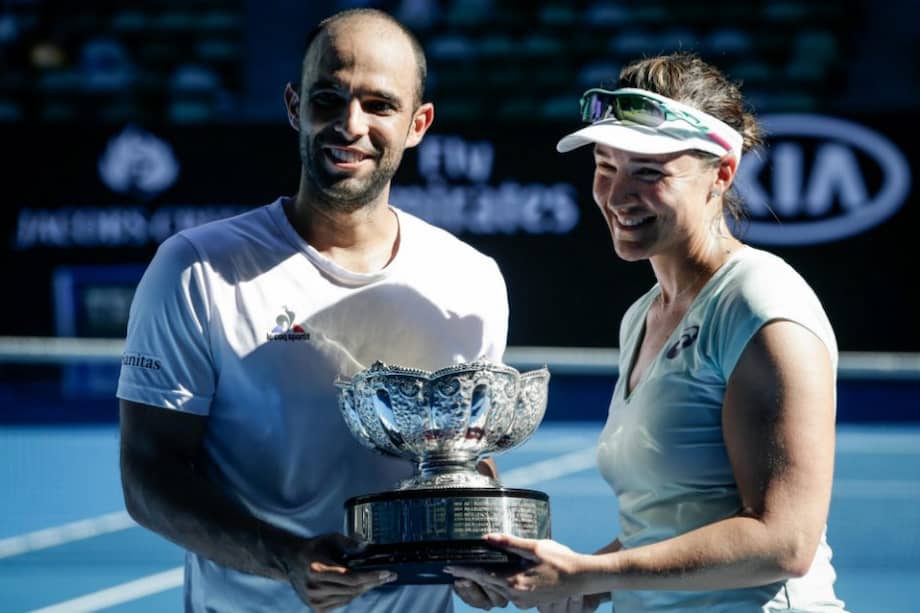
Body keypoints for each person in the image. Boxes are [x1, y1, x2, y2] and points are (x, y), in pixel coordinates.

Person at [116, 8, 509, 613]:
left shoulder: (473, 279)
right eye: (330, 97)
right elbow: (148, 477)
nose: (350, 124)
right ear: (295, 106)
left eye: (380, 105)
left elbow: (459, 463)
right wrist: (286, 559)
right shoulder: (194, 267)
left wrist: (481, 555)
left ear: (418, 123)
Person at [448, 51, 847, 612]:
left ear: (722, 174)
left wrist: (588, 571)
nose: (616, 195)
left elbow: (784, 542)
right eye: (606, 166)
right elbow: (669, 524)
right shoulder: (641, 316)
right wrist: (579, 587)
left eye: (649, 172)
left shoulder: (760, 303)